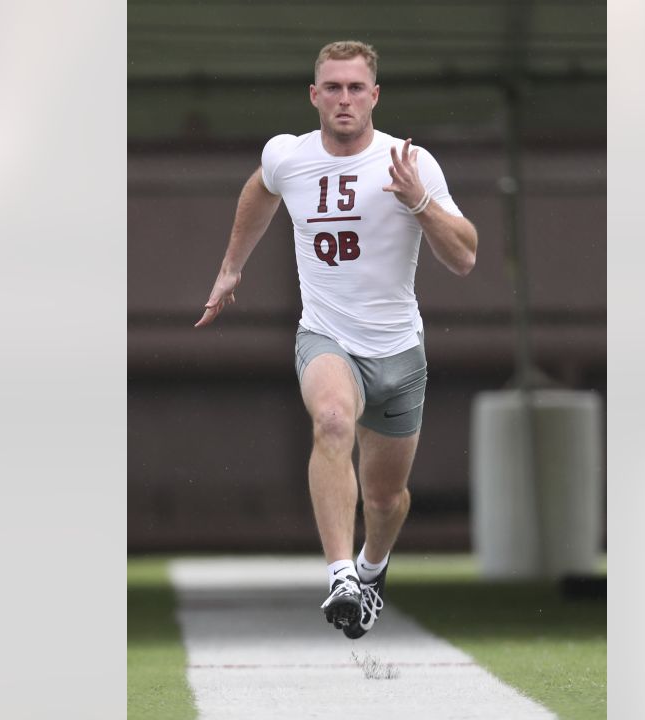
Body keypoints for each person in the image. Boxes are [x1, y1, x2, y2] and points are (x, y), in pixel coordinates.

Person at [195, 40, 477, 639]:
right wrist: (230, 265)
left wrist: (420, 203)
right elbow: (260, 190)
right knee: (330, 420)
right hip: (326, 336)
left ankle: (373, 567)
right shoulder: (288, 156)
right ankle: (341, 574)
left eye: (355, 88)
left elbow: (466, 257)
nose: (344, 98)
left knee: (386, 500)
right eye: (333, 87)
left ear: (374, 95)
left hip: (399, 351)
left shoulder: (409, 162)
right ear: (314, 95)